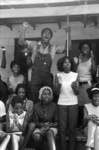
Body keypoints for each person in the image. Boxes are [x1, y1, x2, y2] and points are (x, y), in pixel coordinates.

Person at [18, 22, 65, 103]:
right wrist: (24, 28)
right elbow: (21, 42)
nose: (47, 34)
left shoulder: (53, 47)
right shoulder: (34, 45)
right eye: (45, 32)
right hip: (35, 77)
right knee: (34, 98)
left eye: (49, 33)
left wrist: (69, 33)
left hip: (47, 77)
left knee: (48, 98)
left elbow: (69, 47)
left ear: (51, 37)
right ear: (41, 35)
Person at [54, 56, 79, 150]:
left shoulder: (75, 75)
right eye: (65, 62)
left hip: (73, 103)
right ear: (61, 65)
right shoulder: (58, 75)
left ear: (71, 64)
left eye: (69, 62)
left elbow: (77, 93)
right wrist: (59, 84)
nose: (67, 64)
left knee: (72, 129)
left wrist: (74, 87)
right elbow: (56, 92)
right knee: (62, 130)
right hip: (61, 104)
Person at [74, 40, 96, 106]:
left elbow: (94, 72)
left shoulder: (91, 60)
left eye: (87, 48)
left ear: (90, 50)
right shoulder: (77, 59)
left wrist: (93, 60)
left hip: (87, 85)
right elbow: (74, 71)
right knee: (77, 106)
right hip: (77, 85)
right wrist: (78, 61)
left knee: (87, 105)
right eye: (83, 47)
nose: (85, 49)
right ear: (80, 49)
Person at [83, 86, 99, 150]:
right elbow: (83, 125)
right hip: (88, 129)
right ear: (91, 97)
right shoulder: (86, 106)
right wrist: (87, 118)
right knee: (91, 122)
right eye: (95, 96)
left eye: (98, 96)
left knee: (98, 128)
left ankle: (89, 147)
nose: (97, 98)